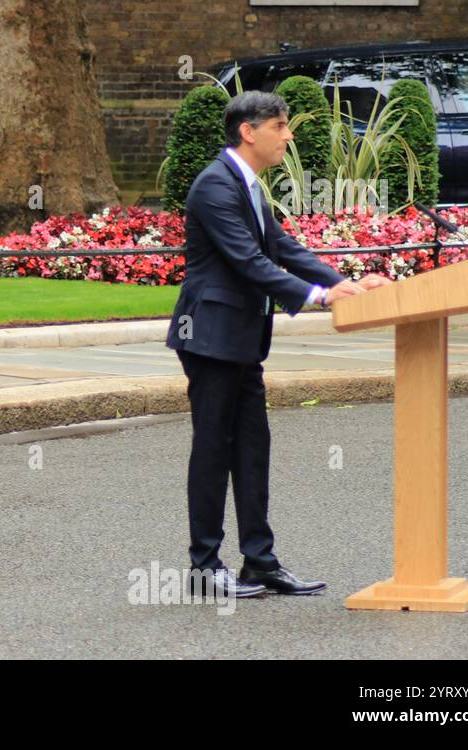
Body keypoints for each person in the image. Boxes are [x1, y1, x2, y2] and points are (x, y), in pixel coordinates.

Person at [164, 90, 391, 598]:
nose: (288, 136)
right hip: (210, 337)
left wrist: (342, 283)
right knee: (212, 449)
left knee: (251, 448)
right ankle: (204, 567)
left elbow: (281, 247)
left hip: (241, 339)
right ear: (249, 131)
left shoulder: (246, 184)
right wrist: (318, 295)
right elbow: (249, 261)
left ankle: (259, 562)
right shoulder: (214, 187)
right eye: (281, 126)